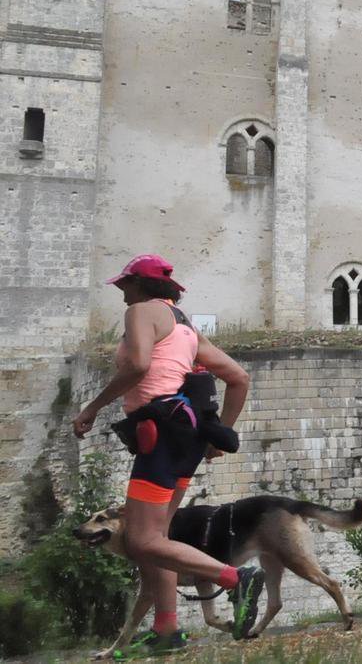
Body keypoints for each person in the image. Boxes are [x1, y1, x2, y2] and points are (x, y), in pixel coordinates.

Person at [72, 254, 265, 657]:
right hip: (186, 437)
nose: (121, 292)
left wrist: (92, 407)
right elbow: (238, 378)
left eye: (124, 284)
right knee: (157, 539)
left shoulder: (141, 312)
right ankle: (166, 629)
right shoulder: (185, 326)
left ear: (140, 285)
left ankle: (236, 579)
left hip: (159, 434)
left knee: (141, 540)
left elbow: (138, 365)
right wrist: (219, 435)